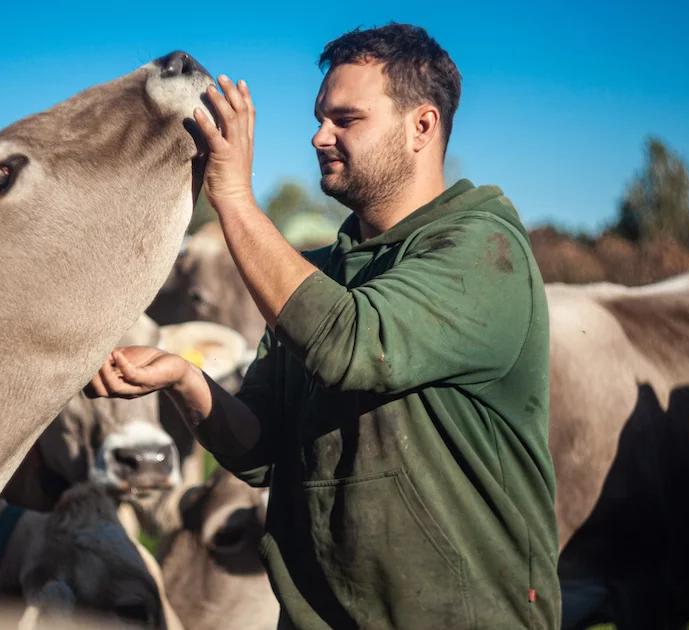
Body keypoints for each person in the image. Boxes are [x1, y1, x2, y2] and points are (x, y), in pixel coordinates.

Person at [88, 23, 561, 629]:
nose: (319, 136)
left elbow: (351, 344)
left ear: (423, 126)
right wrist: (186, 380)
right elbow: (260, 450)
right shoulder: (320, 274)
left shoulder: (482, 251)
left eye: (346, 119)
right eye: (319, 117)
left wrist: (232, 197)